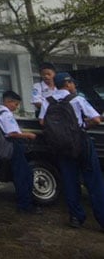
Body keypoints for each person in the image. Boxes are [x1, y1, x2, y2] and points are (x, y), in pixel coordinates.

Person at [39, 72, 104, 230]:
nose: (74, 85)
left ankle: (76, 217)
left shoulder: (48, 101)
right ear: (67, 84)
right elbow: (96, 119)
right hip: (81, 142)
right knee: (93, 180)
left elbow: (42, 121)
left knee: (69, 181)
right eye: (72, 83)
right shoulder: (77, 99)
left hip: (61, 145)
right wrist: (82, 125)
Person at [0, 90, 42, 214]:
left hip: (11, 147)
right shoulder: (6, 114)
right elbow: (12, 133)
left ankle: (25, 203)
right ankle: (25, 205)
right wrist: (29, 135)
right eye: (15, 104)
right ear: (8, 102)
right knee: (24, 176)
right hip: (14, 147)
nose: (16, 107)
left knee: (23, 175)